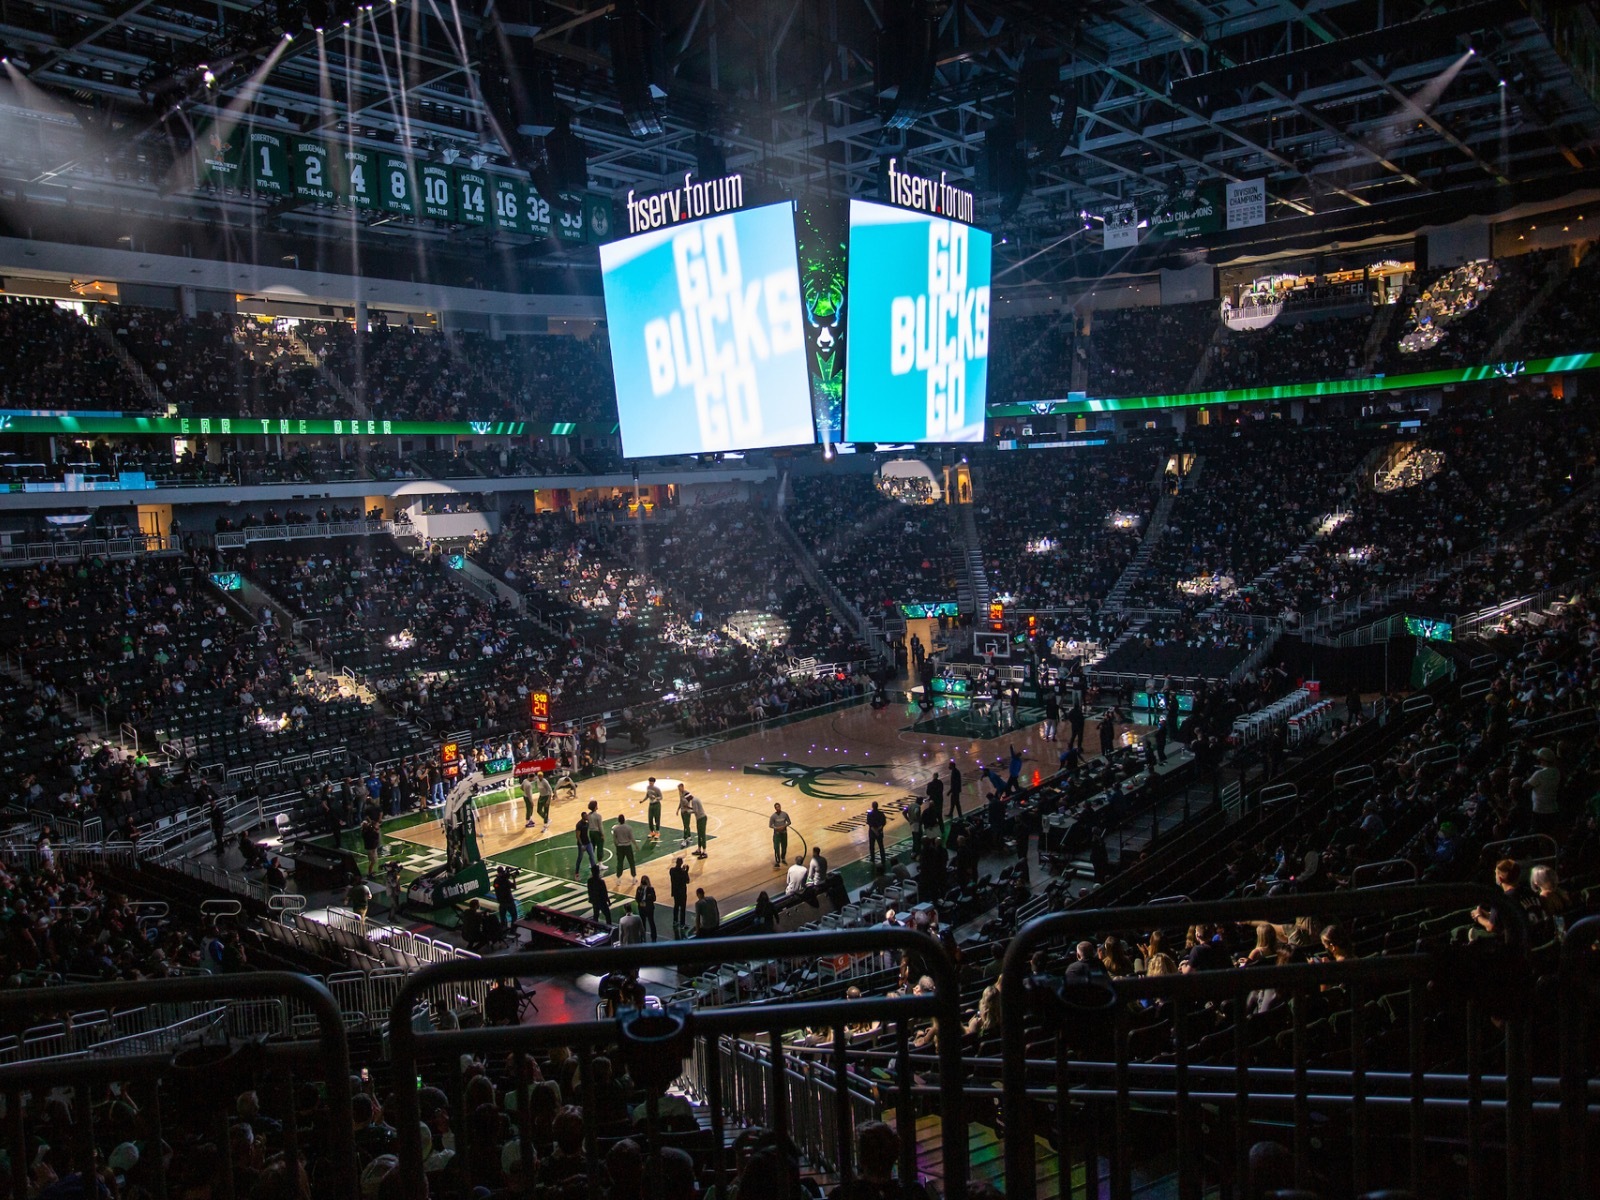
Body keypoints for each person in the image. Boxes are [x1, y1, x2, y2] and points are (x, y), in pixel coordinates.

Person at [1526, 747, 1562, 837]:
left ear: (1541, 759)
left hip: (1540, 810)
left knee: (1541, 836)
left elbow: (1526, 786)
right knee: (1550, 835)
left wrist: (1529, 777)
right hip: (1552, 808)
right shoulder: (1556, 772)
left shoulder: (1539, 773)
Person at [669, 857, 691, 936]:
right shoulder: (683, 872)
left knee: (676, 906)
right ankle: (682, 924)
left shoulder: (671, 870)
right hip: (682, 892)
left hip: (675, 892)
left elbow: (675, 874)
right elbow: (687, 881)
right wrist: (686, 871)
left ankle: (675, 921)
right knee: (683, 907)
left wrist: (683, 871)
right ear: (681, 863)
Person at [493, 866, 518, 934]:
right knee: (514, 916)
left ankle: (503, 931)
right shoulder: (505, 881)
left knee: (503, 918)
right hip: (509, 901)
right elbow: (514, 886)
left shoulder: (496, 881)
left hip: (501, 902)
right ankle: (512, 931)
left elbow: (496, 886)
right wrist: (513, 879)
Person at [769, 802, 792, 869]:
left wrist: (784, 826)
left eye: (779, 807)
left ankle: (783, 859)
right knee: (776, 847)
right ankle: (777, 861)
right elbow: (770, 825)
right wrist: (777, 828)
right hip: (777, 834)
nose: (778, 808)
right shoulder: (773, 816)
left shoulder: (785, 814)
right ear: (775, 808)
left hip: (784, 833)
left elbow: (789, 822)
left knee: (784, 846)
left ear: (780, 807)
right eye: (776, 807)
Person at [635, 875, 658, 942]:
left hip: (649, 908)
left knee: (651, 922)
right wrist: (640, 902)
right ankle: (642, 936)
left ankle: (654, 937)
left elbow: (654, 898)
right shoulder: (639, 889)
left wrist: (647, 901)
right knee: (642, 923)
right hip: (641, 908)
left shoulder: (651, 889)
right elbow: (636, 898)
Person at [865, 801, 888, 870]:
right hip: (879, 832)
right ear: (877, 806)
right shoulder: (881, 813)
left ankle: (872, 858)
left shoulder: (870, 814)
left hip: (872, 833)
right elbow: (884, 823)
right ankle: (883, 859)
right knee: (881, 846)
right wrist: (879, 830)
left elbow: (870, 824)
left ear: (872, 806)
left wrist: (875, 831)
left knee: (872, 846)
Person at [572, 811, 595, 877]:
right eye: (586, 816)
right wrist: (581, 845)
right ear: (583, 817)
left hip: (588, 842)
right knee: (580, 858)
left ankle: (594, 872)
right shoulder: (579, 825)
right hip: (582, 844)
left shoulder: (587, 823)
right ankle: (576, 872)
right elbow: (577, 836)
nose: (587, 817)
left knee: (592, 856)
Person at [690, 791, 709, 858]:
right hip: (700, 819)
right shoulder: (696, 799)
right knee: (699, 834)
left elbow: (696, 811)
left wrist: (689, 812)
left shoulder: (693, 801)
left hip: (702, 818)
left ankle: (704, 852)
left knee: (702, 835)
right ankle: (699, 849)